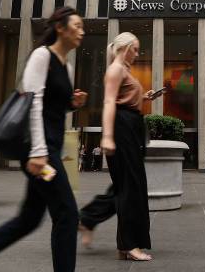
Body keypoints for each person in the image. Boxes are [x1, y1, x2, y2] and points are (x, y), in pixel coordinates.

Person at [0, 7, 88, 272]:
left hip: (50, 150)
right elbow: (32, 104)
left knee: (29, 219)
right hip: (40, 154)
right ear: (60, 27)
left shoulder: (67, 66)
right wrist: (37, 152)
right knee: (67, 214)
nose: (82, 31)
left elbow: (53, 107)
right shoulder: (41, 56)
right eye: (77, 25)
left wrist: (72, 104)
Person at [80, 32, 161, 261]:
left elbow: (123, 99)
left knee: (128, 187)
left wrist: (144, 98)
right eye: (135, 49)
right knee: (130, 188)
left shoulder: (124, 71)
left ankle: (117, 239)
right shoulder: (115, 69)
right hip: (122, 127)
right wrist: (106, 136)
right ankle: (129, 245)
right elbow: (108, 102)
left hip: (130, 126)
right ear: (124, 48)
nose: (137, 54)